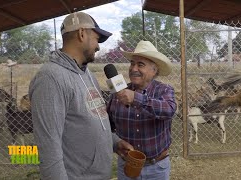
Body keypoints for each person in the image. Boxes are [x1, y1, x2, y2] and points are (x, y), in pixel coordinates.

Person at [29, 12, 132, 180]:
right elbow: (48, 149)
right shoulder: (50, 79)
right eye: (97, 39)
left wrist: (114, 142)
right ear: (82, 33)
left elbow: (93, 118)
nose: (98, 47)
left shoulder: (87, 73)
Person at [107, 40, 177, 180]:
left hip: (157, 167)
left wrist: (136, 99)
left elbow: (169, 110)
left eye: (140, 65)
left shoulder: (164, 90)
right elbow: (107, 126)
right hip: (127, 166)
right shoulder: (118, 94)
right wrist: (116, 143)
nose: (133, 69)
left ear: (154, 70)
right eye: (132, 63)